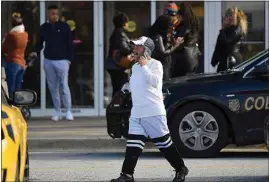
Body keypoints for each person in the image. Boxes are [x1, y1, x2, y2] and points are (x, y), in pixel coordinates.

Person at [111, 36, 189, 182]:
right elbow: (135, 86)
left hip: (153, 112)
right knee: (133, 145)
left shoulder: (155, 64)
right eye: (134, 47)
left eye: (137, 46)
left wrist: (145, 66)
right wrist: (123, 91)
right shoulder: (133, 67)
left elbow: (154, 82)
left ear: (146, 49)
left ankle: (181, 169)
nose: (134, 49)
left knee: (165, 144)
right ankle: (127, 175)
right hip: (137, 113)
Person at [30, 5, 74, 121]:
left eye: (55, 13)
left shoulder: (64, 27)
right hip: (49, 60)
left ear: (58, 14)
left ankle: (68, 110)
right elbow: (39, 43)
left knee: (64, 86)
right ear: (48, 14)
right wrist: (35, 52)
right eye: (51, 13)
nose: (54, 15)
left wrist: (69, 59)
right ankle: (57, 111)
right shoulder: (44, 27)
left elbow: (70, 44)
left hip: (62, 61)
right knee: (52, 87)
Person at [211, 7, 248, 72]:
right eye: (228, 15)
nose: (229, 17)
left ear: (236, 17)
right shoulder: (225, 30)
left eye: (231, 15)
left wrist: (223, 29)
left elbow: (227, 41)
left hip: (233, 62)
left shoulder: (238, 29)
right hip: (224, 63)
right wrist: (214, 60)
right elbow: (219, 45)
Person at [106, 12, 133, 97]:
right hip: (117, 66)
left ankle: (116, 107)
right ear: (123, 22)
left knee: (117, 88)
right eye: (126, 21)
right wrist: (133, 47)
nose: (127, 24)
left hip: (114, 65)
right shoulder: (120, 33)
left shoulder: (116, 32)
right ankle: (117, 108)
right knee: (120, 88)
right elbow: (124, 49)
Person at [171, 2, 201, 78]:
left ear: (182, 16)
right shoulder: (194, 26)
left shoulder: (182, 28)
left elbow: (178, 43)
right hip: (194, 58)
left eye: (179, 16)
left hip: (182, 60)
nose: (178, 18)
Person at [149, 15, 184, 81]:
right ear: (164, 25)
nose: (172, 28)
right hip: (161, 67)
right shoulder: (157, 36)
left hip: (165, 65)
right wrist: (176, 45)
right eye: (170, 26)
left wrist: (173, 40)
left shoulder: (163, 34)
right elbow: (163, 52)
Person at [2, 12, 28, 98]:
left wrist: (4, 40)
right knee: (18, 88)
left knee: (11, 88)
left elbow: (4, 49)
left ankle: (12, 107)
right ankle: (18, 107)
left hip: (13, 62)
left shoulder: (11, 34)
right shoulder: (25, 34)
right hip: (22, 63)